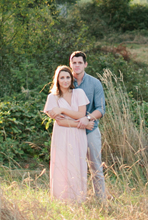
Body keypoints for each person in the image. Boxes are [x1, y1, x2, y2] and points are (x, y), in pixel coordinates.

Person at [43, 65, 89, 202]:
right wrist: (82, 123)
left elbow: (81, 114)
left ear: (71, 79)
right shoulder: (52, 98)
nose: (65, 80)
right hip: (62, 135)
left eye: (67, 77)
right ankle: (62, 197)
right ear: (57, 80)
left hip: (78, 136)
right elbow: (61, 123)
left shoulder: (79, 93)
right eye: (61, 77)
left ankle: (78, 197)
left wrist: (62, 109)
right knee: (62, 162)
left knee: (77, 162)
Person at [66, 50, 107, 200]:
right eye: (74, 63)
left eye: (80, 63)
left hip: (91, 130)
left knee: (95, 166)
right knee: (72, 166)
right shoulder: (66, 81)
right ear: (70, 64)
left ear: (85, 64)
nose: (77, 65)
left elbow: (101, 109)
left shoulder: (95, 83)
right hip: (71, 130)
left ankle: (101, 200)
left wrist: (88, 118)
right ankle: (75, 198)